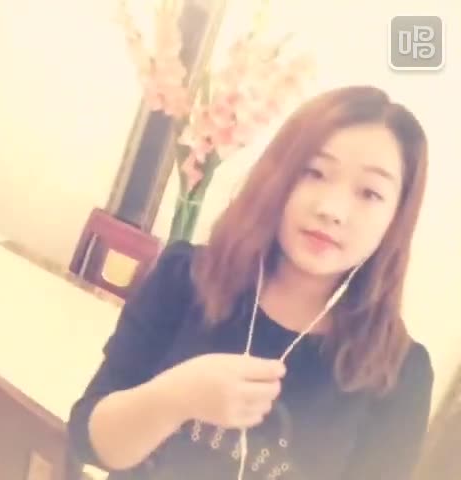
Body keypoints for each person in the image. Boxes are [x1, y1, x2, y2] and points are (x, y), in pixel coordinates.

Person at [68, 85, 434, 480]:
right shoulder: (185, 278)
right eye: (314, 172)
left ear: (396, 218)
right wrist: (175, 397)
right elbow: (89, 443)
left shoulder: (399, 373)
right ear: (279, 175)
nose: (332, 210)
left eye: (370, 193)